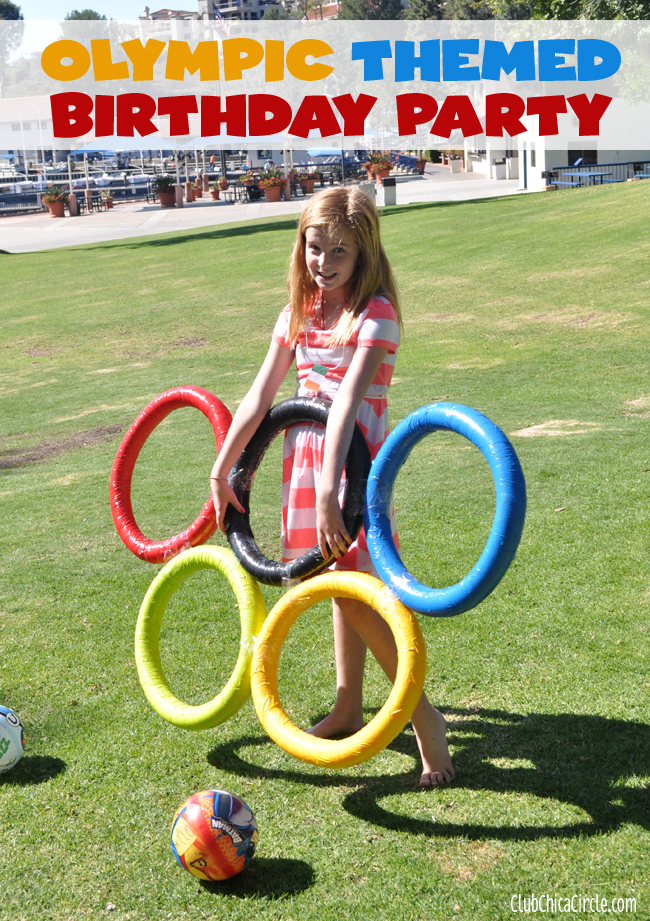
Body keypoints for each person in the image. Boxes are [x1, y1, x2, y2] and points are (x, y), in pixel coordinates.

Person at [210, 187, 454, 787]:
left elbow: (345, 401)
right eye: (314, 247)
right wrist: (222, 469)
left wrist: (329, 489)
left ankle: (425, 721)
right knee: (335, 583)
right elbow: (261, 394)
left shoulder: (377, 315)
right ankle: (348, 706)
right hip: (305, 461)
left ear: (363, 250)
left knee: (359, 594)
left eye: (338, 250)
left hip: (353, 467)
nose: (324, 261)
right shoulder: (297, 310)